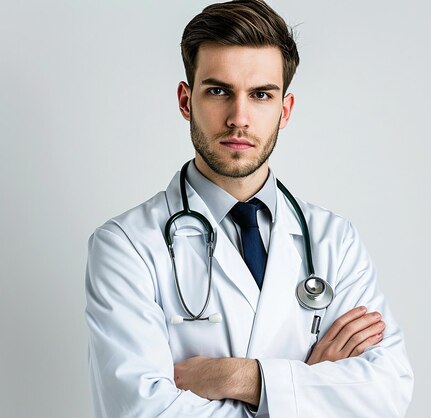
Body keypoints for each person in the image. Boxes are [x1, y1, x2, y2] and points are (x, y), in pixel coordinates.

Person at [85, 1, 414, 416]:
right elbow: (142, 411)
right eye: (218, 91)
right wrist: (306, 385)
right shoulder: (127, 246)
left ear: (285, 110)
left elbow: (386, 394)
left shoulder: (335, 240)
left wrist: (240, 378)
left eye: (260, 94)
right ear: (186, 101)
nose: (238, 118)